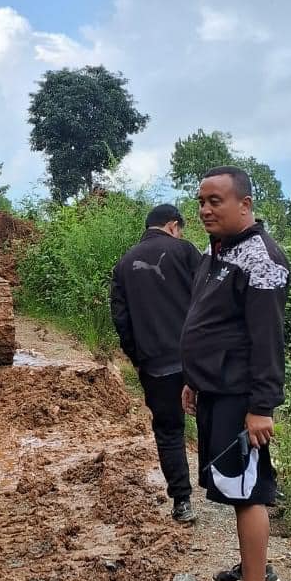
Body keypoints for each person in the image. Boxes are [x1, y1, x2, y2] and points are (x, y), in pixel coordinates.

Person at [180, 166, 289, 581]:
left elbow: (267, 341)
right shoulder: (220, 251)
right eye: (201, 201)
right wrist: (195, 379)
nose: (205, 209)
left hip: (241, 396)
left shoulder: (261, 259)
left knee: (248, 491)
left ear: (244, 204)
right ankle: (257, 572)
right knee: (235, 486)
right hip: (216, 389)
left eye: (216, 201)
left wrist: (261, 406)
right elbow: (212, 323)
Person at [110, 204, 203, 523]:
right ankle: (233, 490)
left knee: (169, 430)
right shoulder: (186, 252)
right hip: (197, 359)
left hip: (155, 365)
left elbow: (120, 319)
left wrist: (137, 358)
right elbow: (208, 299)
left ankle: (182, 501)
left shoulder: (124, 264)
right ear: (173, 226)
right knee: (213, 420)